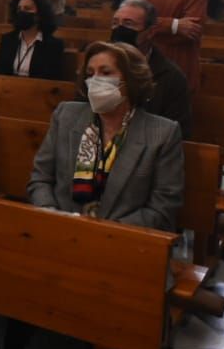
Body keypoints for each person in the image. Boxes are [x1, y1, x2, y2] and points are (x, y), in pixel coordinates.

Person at [26, 41, 183, 230]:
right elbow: (40, 179)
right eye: (90, 74)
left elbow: (161, 209)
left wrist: (106, 234)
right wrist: (51, 214)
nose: (95, 81)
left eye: (106, 73)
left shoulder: (162, 133)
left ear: (131, 79)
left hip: (123, 240)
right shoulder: (66, 116)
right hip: (59, 229)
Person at [109, 0, 192, 137]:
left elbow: (176, 132)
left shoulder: (171, 77)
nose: (120, 29)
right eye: (115, 23)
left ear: (151, 32)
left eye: (128, 24)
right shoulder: (96, 64)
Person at [0, 0, 65, 80]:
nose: (21, 12)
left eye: (27, 9)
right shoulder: (7, 40)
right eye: (19, 9)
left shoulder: (53, 45)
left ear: (39, 15)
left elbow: (53, 79)